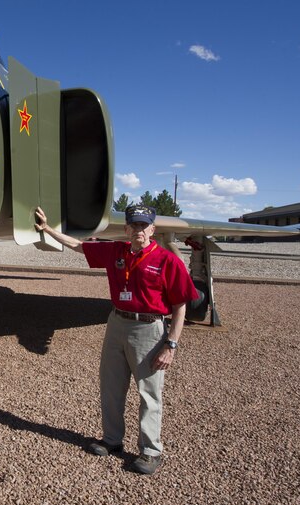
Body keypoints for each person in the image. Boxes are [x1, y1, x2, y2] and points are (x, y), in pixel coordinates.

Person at [34, 204, 197, 475]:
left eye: (144, 226)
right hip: (117, 323)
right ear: (126, 229)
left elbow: (181, 305)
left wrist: (171, 344)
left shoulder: (167, 260)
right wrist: (48, 229)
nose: (139, 230)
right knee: (111, 386)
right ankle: (112, 440)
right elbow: (78, 246)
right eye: (134, 225)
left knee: (149, 392)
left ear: (152, 230)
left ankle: (150, 450)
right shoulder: (116, 252)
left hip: (149, 329)